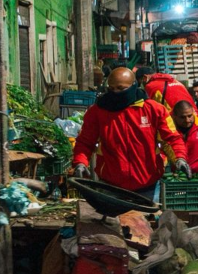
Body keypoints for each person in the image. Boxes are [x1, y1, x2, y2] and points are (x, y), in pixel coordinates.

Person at [71, 67, 189, 200]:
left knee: (144, 220)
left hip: (148, 184)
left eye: (121, 89)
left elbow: (172, 138)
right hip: (110, 185)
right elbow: (85, 142)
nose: (116, 93)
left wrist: (180, 158)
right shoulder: (97, 112)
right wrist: (80, 162)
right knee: (112, 220)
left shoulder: (154, 110)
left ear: (133, 86)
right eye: (112, 88)